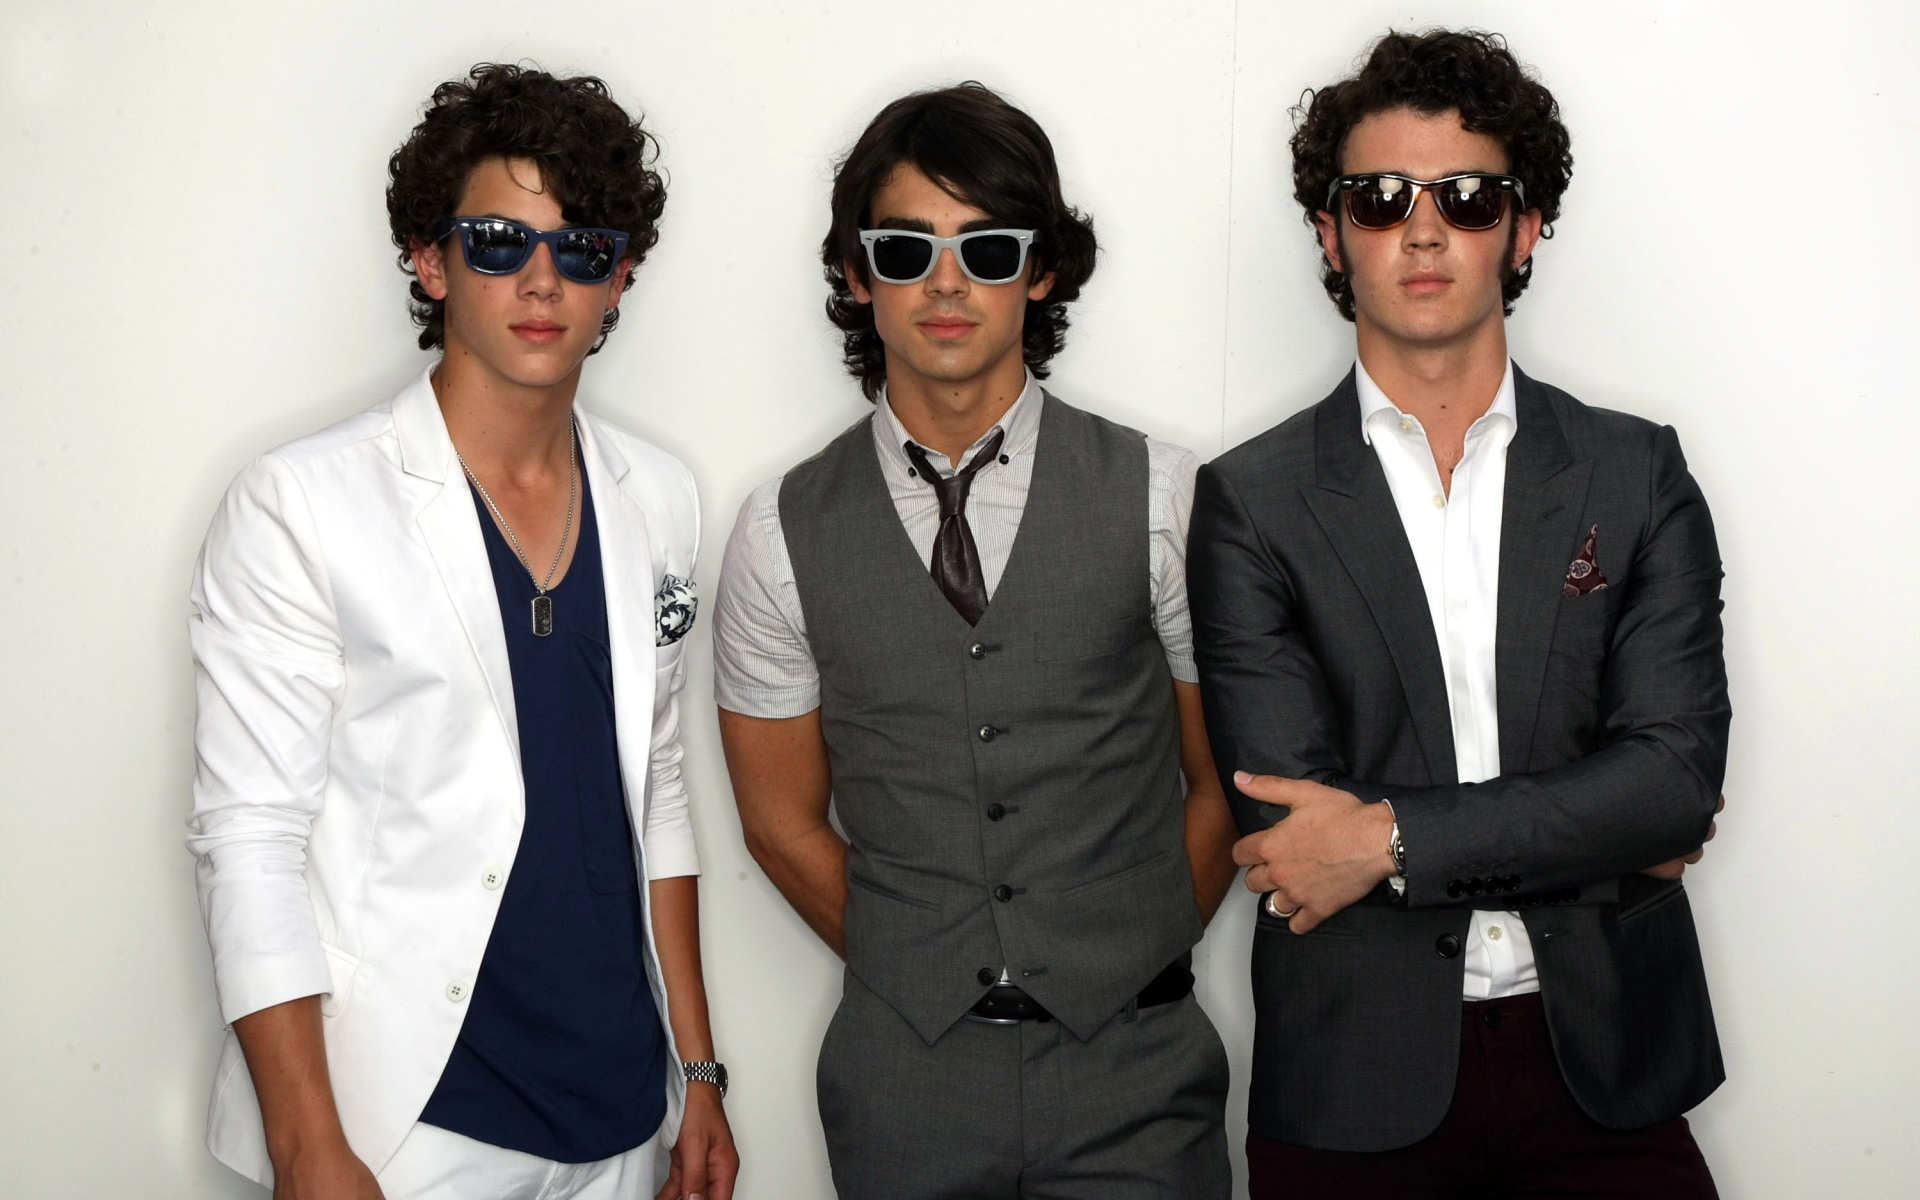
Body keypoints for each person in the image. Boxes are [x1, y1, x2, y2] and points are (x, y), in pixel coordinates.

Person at [1189, 30, 1728, 1198]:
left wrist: (1387, 839)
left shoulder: (1635, 473)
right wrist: (1594, 827)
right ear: (1331, 234)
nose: (1423, 230)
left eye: (1467, 197)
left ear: (1523, 229)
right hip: (1351, 1076)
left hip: (1608, 1064)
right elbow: (1293, 833)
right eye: (1381, 199)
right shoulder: (1250, 501)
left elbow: (1673, 784)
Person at [186, 64, 737, 1200]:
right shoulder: (303, 503)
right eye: (497, 241)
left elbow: (657, 791)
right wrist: (307, 1146)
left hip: (623, 1113)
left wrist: (698, 1071)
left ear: (619, 278)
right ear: (430, 261)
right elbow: (250, 836)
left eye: (580, 249)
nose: (540, 280)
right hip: (405, 1125)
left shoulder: (660, 496)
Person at [713, 83, 1236, 1198]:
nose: (946, 283)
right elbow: (780, 825)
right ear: (858, 274)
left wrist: (1126, 956)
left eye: (987, 249)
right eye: (906, 250)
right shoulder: (777, 530)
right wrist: (925, 968)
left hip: (1137, 1078)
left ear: (1039, 270)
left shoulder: (1167, 497)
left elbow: (1224, 782)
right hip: (904, 1084)